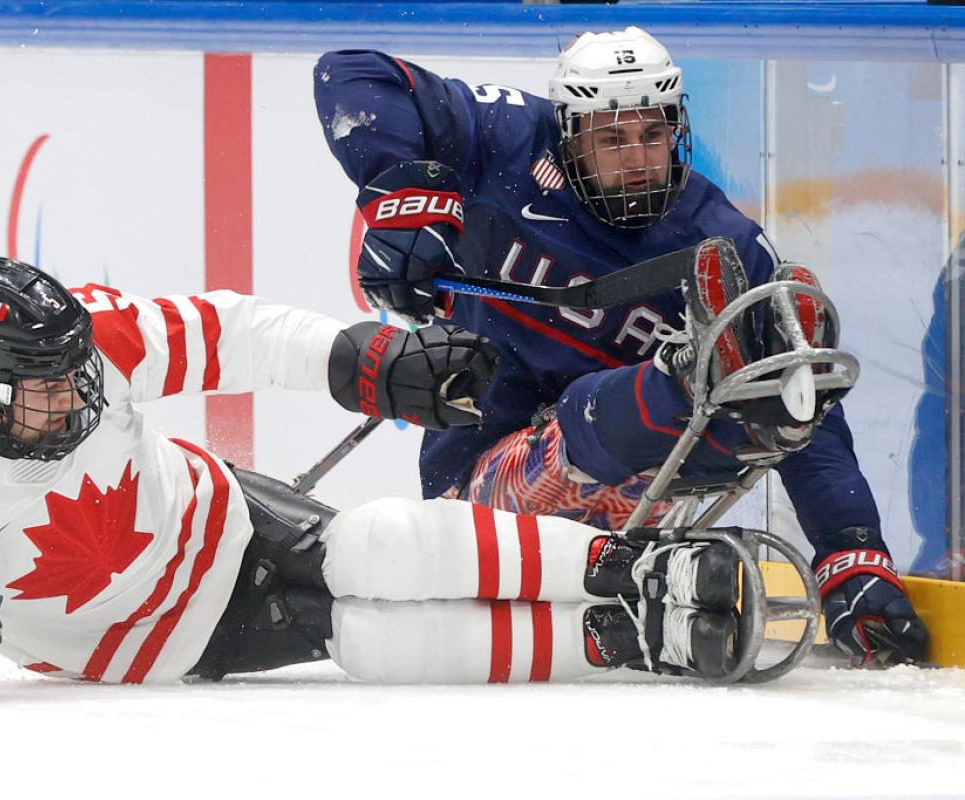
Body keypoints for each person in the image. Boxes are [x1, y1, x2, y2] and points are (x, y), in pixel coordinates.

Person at [0, 257, 753, 696]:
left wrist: (359, 356)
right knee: (371, 638)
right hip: (144, 645)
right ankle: (613, 640)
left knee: (377, 544)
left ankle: (625, 568)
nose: (76, 398)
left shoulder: (84, 346)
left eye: (77, 372)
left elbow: (226, 332)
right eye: (44, 390)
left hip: (222, 516)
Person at [315, 27, 929, 667]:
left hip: (636, 500)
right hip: (475, 506)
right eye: (612, 138)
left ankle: (701, 394)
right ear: (569, 134)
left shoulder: (717, 238)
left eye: (654, 134)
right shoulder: (506, 138)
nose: (638, 157)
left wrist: (851, 554)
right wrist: (403, 193)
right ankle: (689, 382)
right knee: (617, 402)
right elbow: (351, 71)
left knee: (770, 377)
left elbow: (808, 418)